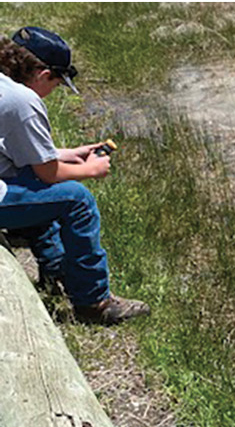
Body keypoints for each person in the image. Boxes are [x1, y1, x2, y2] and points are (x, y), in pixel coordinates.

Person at [0, 26, 149, 325]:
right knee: (76, 199)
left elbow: (21, 150)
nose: (53, 92)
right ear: (44, 75)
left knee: (38, 190)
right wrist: (91, 169)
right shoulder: (22, 102)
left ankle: (56, 272)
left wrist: (69, 153)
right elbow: (48, 172)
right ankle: (94, 302)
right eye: (57, 85)